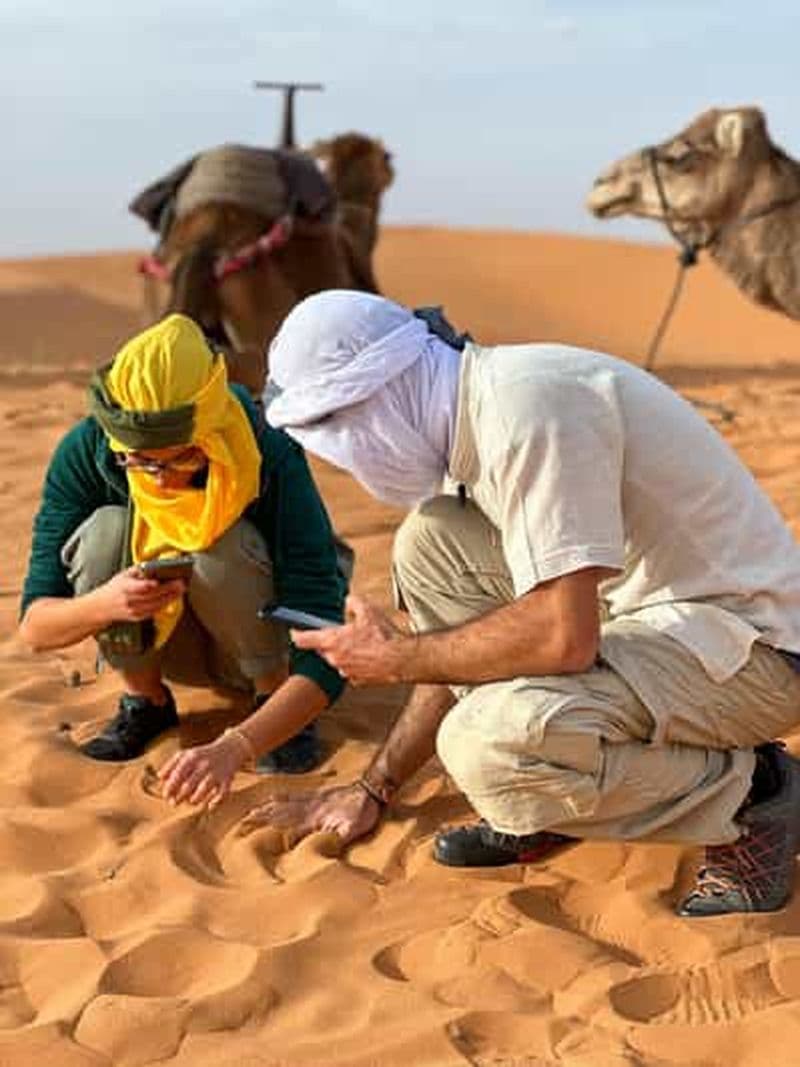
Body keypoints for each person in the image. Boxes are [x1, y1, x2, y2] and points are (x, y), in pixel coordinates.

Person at [241, 288, 800, 918]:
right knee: (432, 542)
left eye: (333, 430)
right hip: (652, 619)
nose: (339, 456)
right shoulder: (477, 416)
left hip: (751, 652)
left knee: (484, 747)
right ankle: (551, 793)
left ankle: (755, 797)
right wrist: (376, 786)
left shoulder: (527, 412)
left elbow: (564, 638)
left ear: (379, 394)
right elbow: (456, 654)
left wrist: (397, 659)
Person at [18, 314, 346, 803]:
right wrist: (105, 604)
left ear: (211, 432)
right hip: (168, 647)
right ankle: (145, 701)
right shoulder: (89, 451)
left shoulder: (267, 450)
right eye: (138, 460)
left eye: (178, 459)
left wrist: (242, 742)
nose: (158, 477)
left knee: (215, 544)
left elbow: (323, 626)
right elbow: (34, 627)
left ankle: (275, 706)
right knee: (106, 531)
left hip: (262, 649)